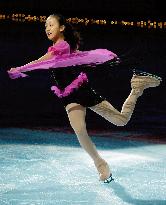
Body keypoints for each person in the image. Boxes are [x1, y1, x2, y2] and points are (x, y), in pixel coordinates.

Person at [8, 13, 162, 183]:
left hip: (82, 90)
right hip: (68, 95)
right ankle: (100, 164)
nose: (47, 29)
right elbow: (67, 58)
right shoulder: (66, 48)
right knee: (80, 130)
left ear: (62, 27)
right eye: (46, 26)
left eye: (51, 25)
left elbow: (44, 61)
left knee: (121, 120)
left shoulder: (62, 46)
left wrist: (22, 68)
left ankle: (137, 87)